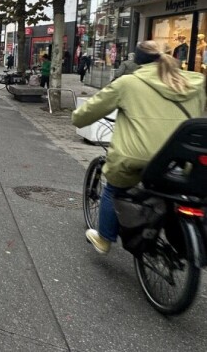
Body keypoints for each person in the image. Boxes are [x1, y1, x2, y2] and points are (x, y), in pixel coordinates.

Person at [72, 40, 206, 254]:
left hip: (138, 158)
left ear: (138, 61)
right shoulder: (195, 82)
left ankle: (104, 239)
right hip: (182, 159)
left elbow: (85, 114)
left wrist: (77, 118)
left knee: (113, 188)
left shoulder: (128, 83)